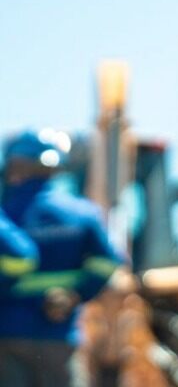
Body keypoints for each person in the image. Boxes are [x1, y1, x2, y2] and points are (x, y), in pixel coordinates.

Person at [0, 129, 124, 387]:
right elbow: (109, 260)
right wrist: (76, 294)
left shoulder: (5, 215)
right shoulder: (82, 213)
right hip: (59, 332)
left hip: (8, 333)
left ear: (16, 164)